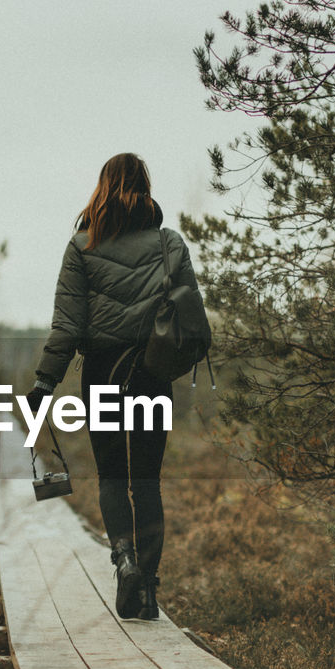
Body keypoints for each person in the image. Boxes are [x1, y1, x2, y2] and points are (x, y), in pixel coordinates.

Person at [25, 152, 203, 621]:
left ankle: (123, 561)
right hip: (152, 376)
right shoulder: (170, 244)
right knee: (147, 482)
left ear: (102, 187)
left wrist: (46, 381)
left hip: (103, 374)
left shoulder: (82, 246)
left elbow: (67, 324)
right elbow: (192, 317)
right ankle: (147, 589)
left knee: (111, 477)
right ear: (146, 188)